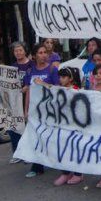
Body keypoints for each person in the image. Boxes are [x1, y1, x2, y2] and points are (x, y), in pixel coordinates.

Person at [22, 42, 60, 178]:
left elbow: (57, 90)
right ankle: (37, 166)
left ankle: (56, 161)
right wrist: (26, 110)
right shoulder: (30, 71)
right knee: (36, 138)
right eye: (40, 53)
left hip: (50, 110)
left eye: (45, 53)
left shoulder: (52, 70)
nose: (43, 55)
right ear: (34, 56)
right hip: (35, 111)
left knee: (51, 137)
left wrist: (42, 83)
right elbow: (28, 92)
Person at [51, 67, 85, 186]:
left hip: (75, 125)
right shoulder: (59, 89)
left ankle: (78, 173)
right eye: (60, 77)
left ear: (71, 78)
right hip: (63, 125)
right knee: (63, 148)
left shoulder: (76, 90)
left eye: (64, 77)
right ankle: (65, 173)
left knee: (75, 148)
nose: (61, 79)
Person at [8, 41, 32, 164]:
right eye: (15, 51)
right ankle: (17, 152)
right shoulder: (12, 67)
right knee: (13, 128)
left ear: (25, 51)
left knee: (28, 127)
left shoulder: (32, 65)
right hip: (15, 101)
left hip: (29, 100)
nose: (18, 53)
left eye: (20, 50)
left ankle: (29, 153)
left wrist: (26, 88)